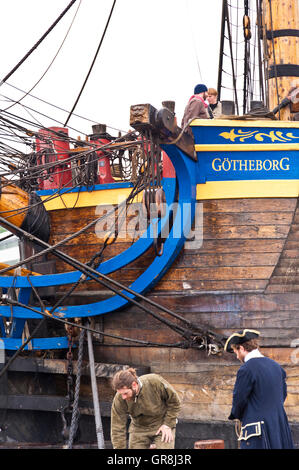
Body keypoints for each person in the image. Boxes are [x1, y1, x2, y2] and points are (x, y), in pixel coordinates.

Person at [225, 329, 294, 449]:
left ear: (241, 348)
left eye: (236, 351)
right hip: (279, 425)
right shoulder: (276, 367)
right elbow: (282, 395)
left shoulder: (246, 369)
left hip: (257, 429)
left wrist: (236, 414)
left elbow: (239, 399)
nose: (236, 356)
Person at [110, 367, 181, 449]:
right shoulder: (119, 398)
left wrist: (168, 424)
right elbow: (117, 427)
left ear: (134, 385)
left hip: (161, 423)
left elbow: (175, 402)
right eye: (120, 393)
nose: (123, 397)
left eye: (125, 393)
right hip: (139, 427)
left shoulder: (154, 382)